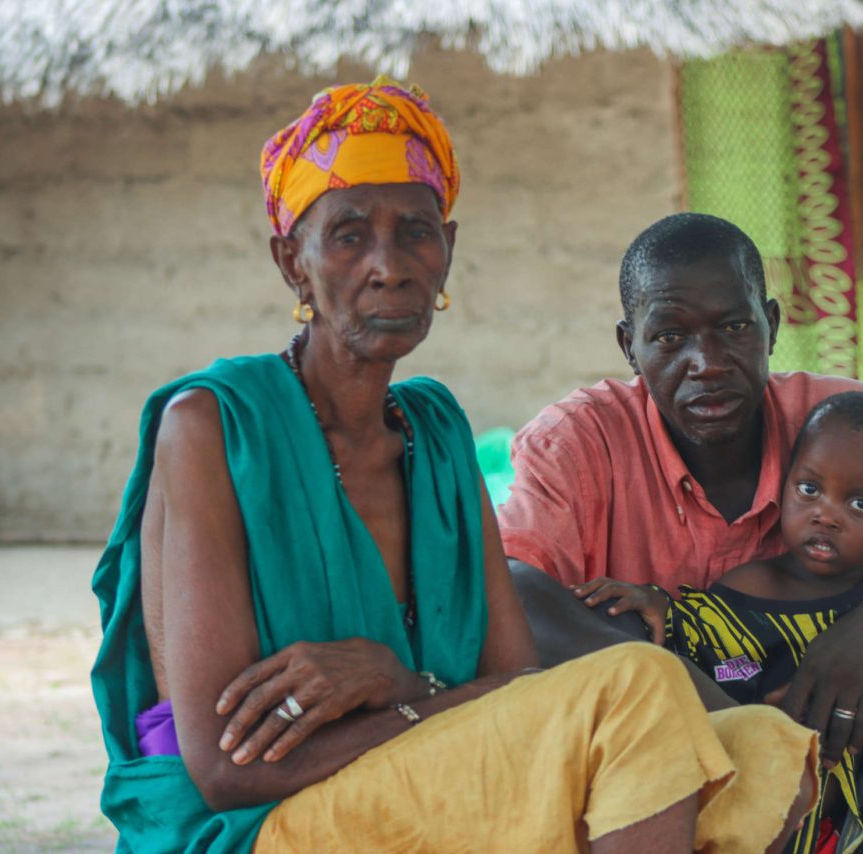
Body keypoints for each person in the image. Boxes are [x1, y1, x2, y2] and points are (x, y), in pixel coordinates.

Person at [90, 81, 820, 853]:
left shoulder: (433, 431)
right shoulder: (213, 426)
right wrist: (422, 709)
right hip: (262, 823)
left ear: (448, 252)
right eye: (347, 235)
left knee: (760, 747)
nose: (389, 265)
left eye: (415, 231)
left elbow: (517, 683)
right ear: (290, 263)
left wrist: (398, 686)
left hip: (423, 776)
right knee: (641, 686)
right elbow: (223, 769)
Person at [499, 213, 863, 853]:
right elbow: (513, 591)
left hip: (856, 793)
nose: (708, 363)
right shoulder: (578, 444)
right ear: (628, 345)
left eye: (734, 327)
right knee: (606, 625)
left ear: (771, 326)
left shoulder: (851, 433)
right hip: (667, 804)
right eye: (669, 336)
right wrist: (727, 722)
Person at [572, 390, 863, 854]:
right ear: (784, 487)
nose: (826, 515)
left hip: (860, 816)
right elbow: (697, 634)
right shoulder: (751, 589)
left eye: (859, 504)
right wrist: (657, 604)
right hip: (770, 819)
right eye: (809, 489)